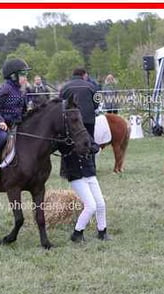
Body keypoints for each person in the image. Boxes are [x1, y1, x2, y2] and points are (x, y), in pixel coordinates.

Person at [60, 67, 109, 242]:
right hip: (86, 122)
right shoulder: (91, 86)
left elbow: (60, 103)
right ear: (84, 75)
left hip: (72, 122)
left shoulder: (65, 87)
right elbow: (98, 102)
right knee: (92, 205)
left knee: (100, 204)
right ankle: (77, 234)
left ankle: (102, 232)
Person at [0, 58, 30, 175]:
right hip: (1, 124)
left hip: (15, 123)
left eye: (26, 74)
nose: (26, 77)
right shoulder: (5, 89)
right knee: (2, 138)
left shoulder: (21, 90)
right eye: (23, 74)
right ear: (13, 76)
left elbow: (23, 109)